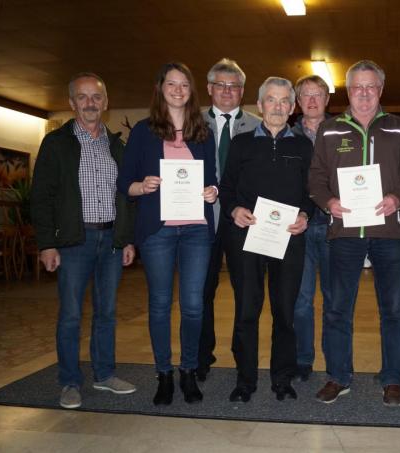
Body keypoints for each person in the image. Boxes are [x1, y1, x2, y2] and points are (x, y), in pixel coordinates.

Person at [309, 60, 400, 407]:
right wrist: (328, 200)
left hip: (389, 232)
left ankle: (392, 378)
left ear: (381, 89)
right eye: (357, 87)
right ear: (348, 90)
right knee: (337, 309)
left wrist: (397, 197)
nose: (363, 93)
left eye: (370, 86)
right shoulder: (329, 129)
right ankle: (337, 376)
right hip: (344, 232)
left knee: (393, 310)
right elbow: (315, 176)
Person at [31, 72, 137, 409]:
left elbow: (127, 198)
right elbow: (41, 197)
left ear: (106, 103)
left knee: (106, 312)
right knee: (71, 315)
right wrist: (47, 243)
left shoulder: (118, 145)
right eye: (83, 97)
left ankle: (104, 375)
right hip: (74, 242)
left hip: (111, 240)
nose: (90, 103)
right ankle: (69, 382)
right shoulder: (56, 143)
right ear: (72, 102)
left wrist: (127, 239)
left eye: (96, 97)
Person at [117, 62, 219, 405]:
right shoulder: (145, 131)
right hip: (157, 231)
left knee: (192, 306)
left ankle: (188, 371)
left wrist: (212, 192)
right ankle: (163, 373)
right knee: (159, 305)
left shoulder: (203, 131)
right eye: (171, 84)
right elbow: (124, 183)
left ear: (191, 91)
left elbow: (213, 177)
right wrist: (141, 186)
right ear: (161, 89)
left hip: (196, 230)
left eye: (184, 85)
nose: (178, 90)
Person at [219, 77, 313, 403]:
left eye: (284, 100)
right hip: (247, 238)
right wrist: (234, 210)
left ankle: (282, 379)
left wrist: (306, 215)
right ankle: (245, 380)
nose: (277, 106)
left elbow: (312, 192)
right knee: (247, 310)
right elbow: (227, 187)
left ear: (292, 106)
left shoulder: (303, 146)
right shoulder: (241, 143)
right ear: (259, 106)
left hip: (289, 240)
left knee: (284, 312)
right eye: (271, 100)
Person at [197, 58, 262, 381]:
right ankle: (200, 357)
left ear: (242, 91)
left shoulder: (258, 126)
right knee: (201, 291)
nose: (227, 91)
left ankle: (243, 359)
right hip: (201, 221)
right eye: (220, 85)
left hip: (242, 221)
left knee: (246, 292)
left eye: (234, 86)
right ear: (209, 89)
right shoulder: (191, 123)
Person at [291, 74, 332, 382]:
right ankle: (303, 359)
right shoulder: (288, 137)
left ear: (327, 99)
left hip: (335, 228)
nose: (313, 100)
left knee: (335, 300)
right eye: (306, 95)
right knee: (301, 301)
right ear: (298, 101)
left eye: (318, 94)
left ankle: (336, 361)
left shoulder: (344, 132)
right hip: (299, 228)